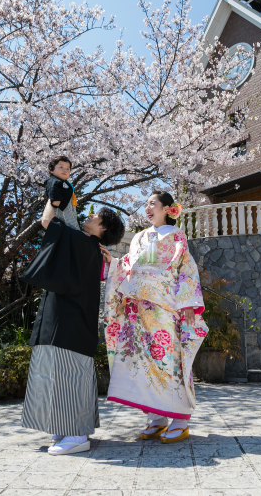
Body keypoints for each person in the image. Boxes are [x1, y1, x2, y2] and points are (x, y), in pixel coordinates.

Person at [20, 198, 126, 455]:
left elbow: (47, 221)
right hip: (70, 318)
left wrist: (54, 194)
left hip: (71, 320)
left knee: (69, 374)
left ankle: (78, 434)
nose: (89, 217)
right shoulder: (87, 244)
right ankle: (67, 426)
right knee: (58, 372)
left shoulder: (83, 242)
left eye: (95, 217)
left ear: (102, 229)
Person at [103, 190, 206, 444]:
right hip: (137, 309)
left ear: (168, 209)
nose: (148, 209)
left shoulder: (177, 236)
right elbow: (130, 265)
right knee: (141, 362)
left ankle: (180, 419)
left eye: (153, 204)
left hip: (164, 307)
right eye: (146, 204)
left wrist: (189, 304)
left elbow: (186, 269)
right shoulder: (139, 237)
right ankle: (156, 418)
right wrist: (115, 264)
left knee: (168, 360)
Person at [44, 155, 80, 230]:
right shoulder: (53, 180)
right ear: (51, 169)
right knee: (69, 225)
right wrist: (56, 201)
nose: (65, 170)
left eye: (68, 169)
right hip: (61, 209)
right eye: (61, 167)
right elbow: (53, 190)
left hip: (69, 209)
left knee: (73, 224)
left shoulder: (65, 183)